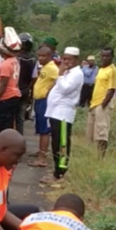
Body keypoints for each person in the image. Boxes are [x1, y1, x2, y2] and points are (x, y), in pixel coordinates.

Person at [43, 48, 85, 184]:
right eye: (64, 59)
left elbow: (65, 89)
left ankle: (60, 174)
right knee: (56, 143)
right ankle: (57, 172)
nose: (66, 61)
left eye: (69, 59)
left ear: (76, 60)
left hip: (63, 114)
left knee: (62, 144)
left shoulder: (76, 74)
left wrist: (60, 75)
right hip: (56, 113)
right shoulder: (68, 72)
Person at [30, 46, 59, 168]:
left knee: (44, 130)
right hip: (39, 100)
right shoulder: (45, 67)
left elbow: (59, 80)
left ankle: (42, 158)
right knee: (40, 128)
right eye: (39, 56)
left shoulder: (52, 68)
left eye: (43, 56)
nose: (40, 58)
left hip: (45, 102)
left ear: (49, 56)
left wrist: (50, 91)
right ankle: (41, 151)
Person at [87, 48, 116, 156]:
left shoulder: (112, 70)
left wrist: (102, 105)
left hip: (102, 105)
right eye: (103, 56)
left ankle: (101, 158)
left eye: (107, 56)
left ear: (112, 57)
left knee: (101, 133)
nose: (104, 58)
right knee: (91, 134)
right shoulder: (101, 70)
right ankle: (92, 156)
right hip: (94, 104)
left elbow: (111, 90)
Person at [16, 33, 36, 137]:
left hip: (14, 90)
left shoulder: (16, 58)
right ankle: (19, 138)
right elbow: (34, 78)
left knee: (10, 116)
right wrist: (30, 92)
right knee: (20, 117)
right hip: (25, 91)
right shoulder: (33, 60)